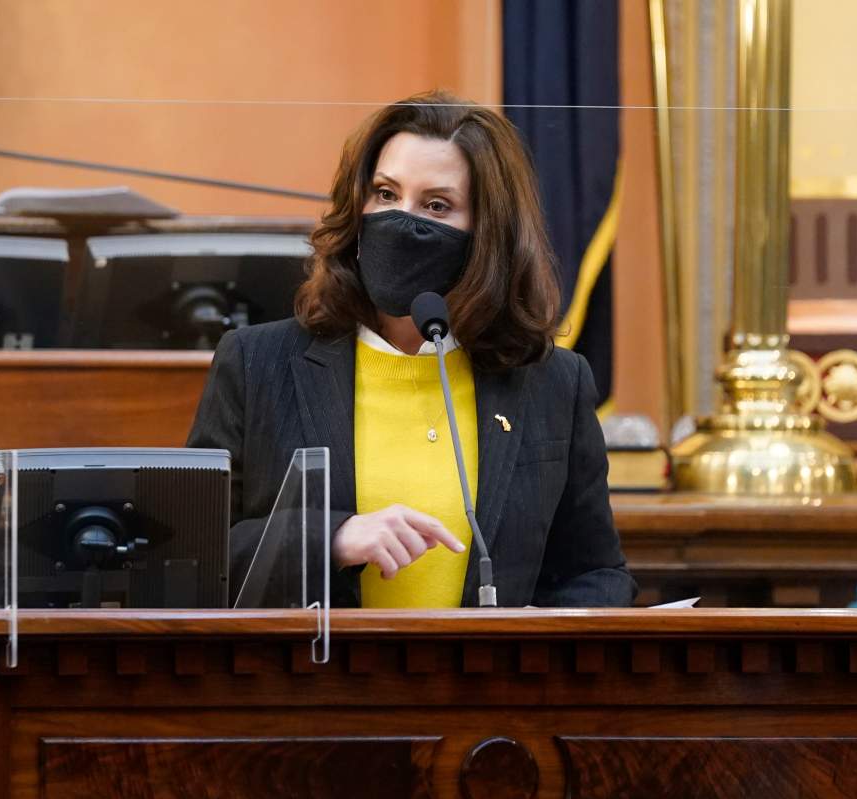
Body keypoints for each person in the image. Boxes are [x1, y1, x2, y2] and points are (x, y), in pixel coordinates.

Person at [187, 90, 636, 608]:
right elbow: (194, 552)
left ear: (487, 234)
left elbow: (596, 573)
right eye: (384, 193)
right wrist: (329, 539)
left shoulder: (553, 381)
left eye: (436, 205)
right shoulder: (255, 362)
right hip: (309, 682)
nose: (402, 219)